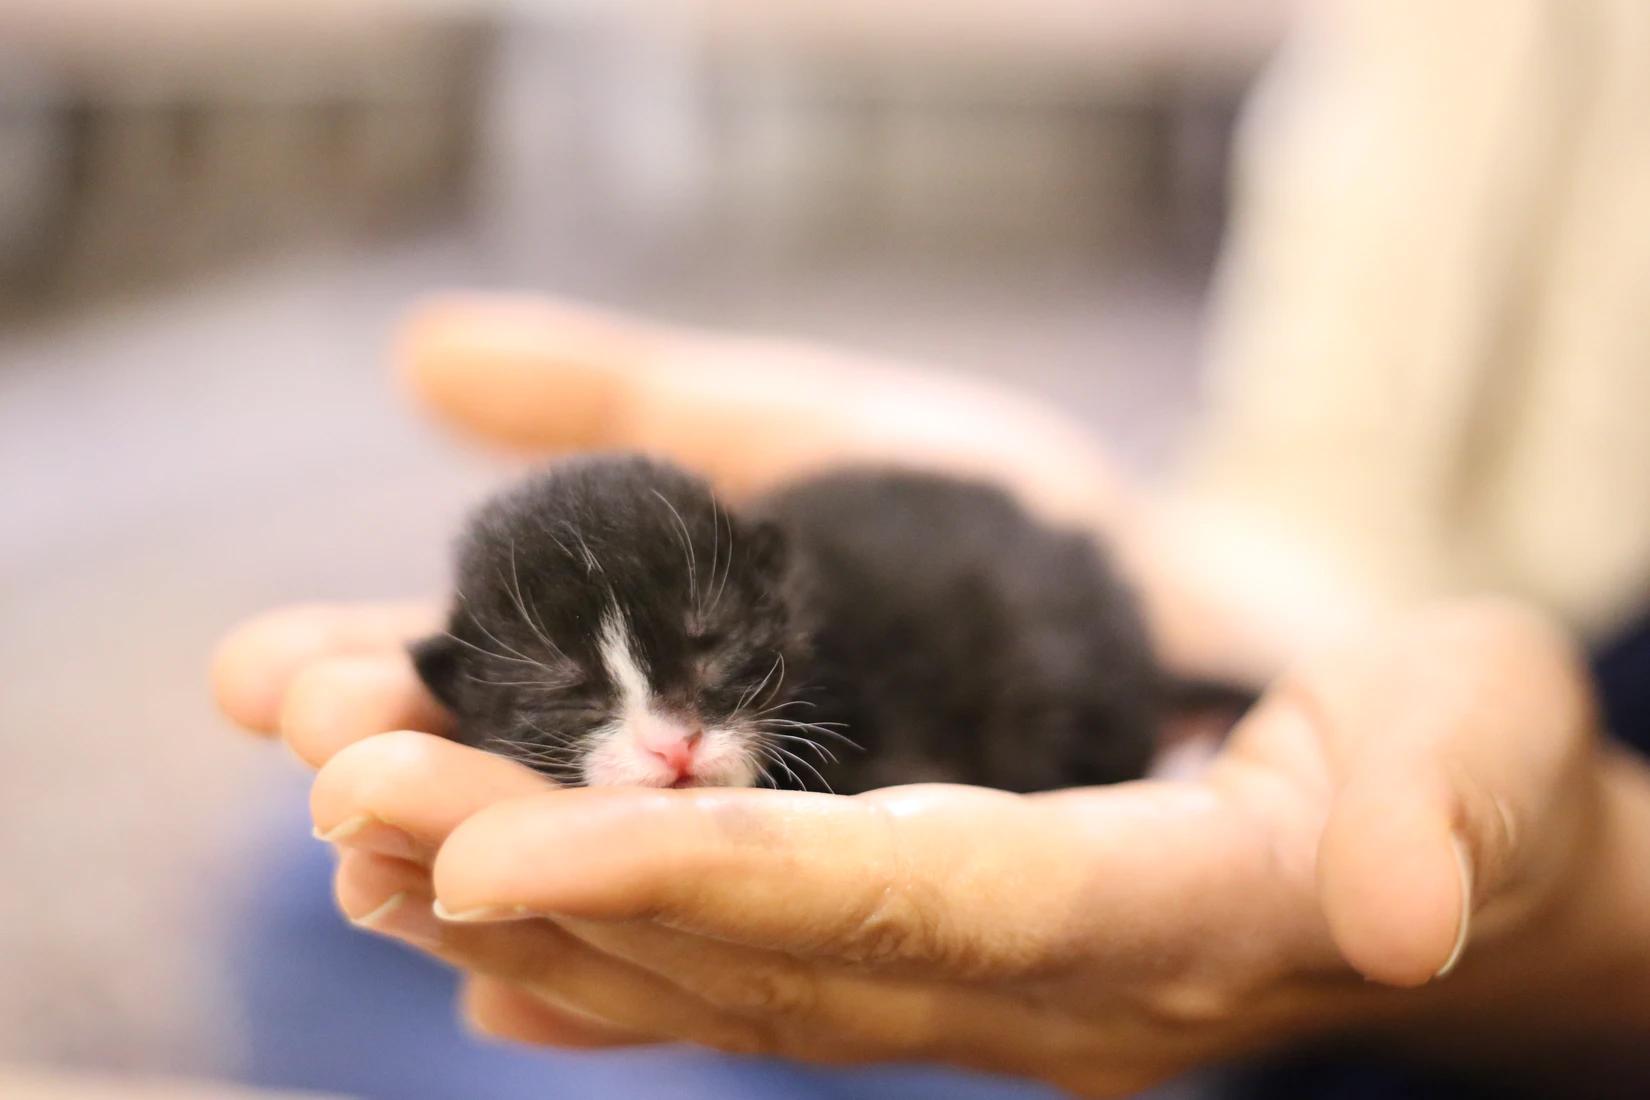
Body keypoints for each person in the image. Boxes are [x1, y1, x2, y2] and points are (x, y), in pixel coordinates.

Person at [212, 293, 1650, 1099]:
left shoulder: (901, 638)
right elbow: (1328, 465)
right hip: (1287, 656)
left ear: (776, 612)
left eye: (711, 680)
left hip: (1390, 1029)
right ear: (470, 695)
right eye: (579, 705)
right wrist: (1263, 607)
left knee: (756, 972)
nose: (668, 745)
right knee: (316, 879)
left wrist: (1585, 906)